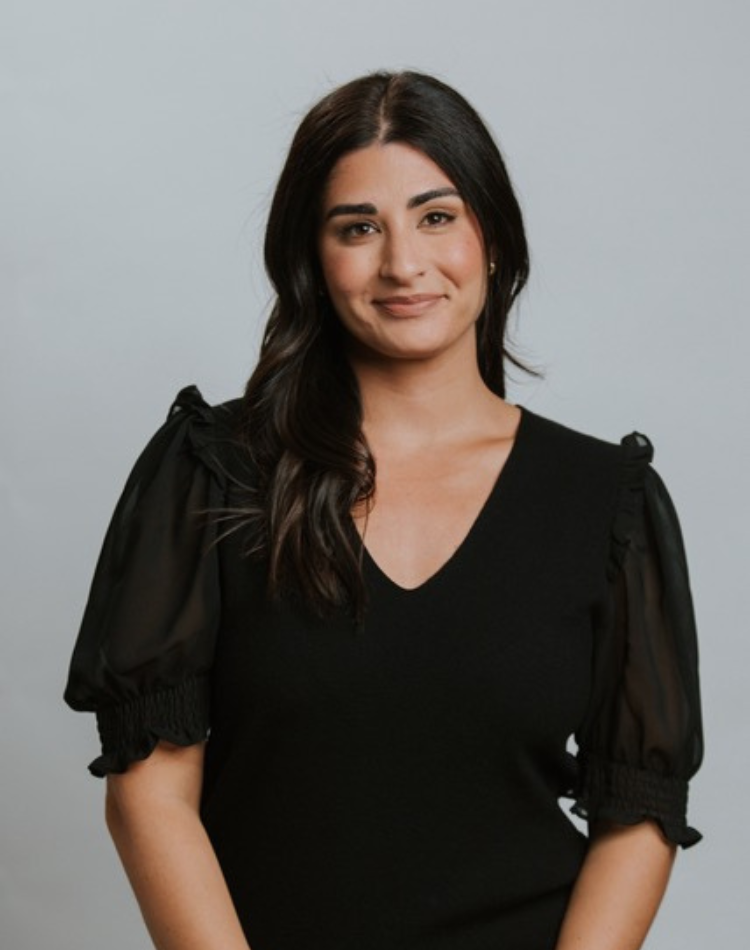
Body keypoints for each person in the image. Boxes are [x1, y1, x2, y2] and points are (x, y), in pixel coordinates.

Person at [64, 70, 703, 950]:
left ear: (493, 237)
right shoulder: (215, 472)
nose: (403, 263)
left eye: (437, 216)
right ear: (312, 257)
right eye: (359, 228)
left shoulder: (607, 503)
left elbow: (637, 815)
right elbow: (149, 796)